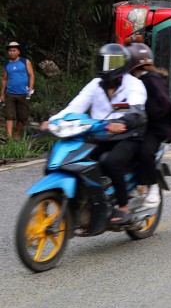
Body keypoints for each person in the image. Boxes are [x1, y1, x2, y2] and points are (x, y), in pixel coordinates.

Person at [40, 44, 147, 224]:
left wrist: (122, 122)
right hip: (100, 134)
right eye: (103, 61)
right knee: (73, 160)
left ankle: (123, 206)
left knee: (110, 162)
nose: (106, 65)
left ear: (123, 64)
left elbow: (137, 112)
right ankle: (84, 199)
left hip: (127, 135)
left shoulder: (134, 85)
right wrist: (53, 121)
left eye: (112, 61)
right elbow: (75, 106)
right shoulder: (95, 85)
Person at [126, 41, 171, 207]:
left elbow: (165, 105)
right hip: (131, 124)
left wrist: (146, 114)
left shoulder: (151, 80)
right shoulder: (126, 81)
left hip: (154, 128)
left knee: (144, 151)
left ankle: (152, 186)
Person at [1, 41, 35, 139]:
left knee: (22, 116)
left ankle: (18, 135)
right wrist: (2, 94)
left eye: (14, 50)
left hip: (23, 93)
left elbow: (31, 75)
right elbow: (4, 79)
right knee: (9, 115)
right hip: (10, 93)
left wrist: (31, 87)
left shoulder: (25, 61)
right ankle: (9, 137)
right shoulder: (7, 65)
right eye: (10, 51)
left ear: (18, 52)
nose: (12, 52)